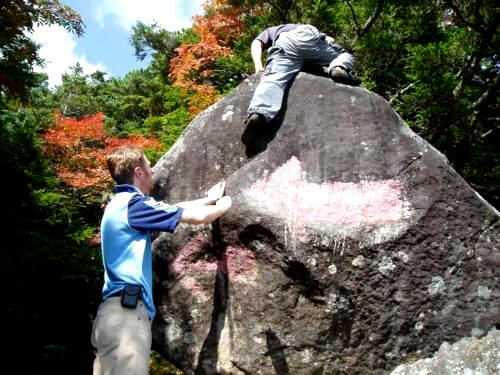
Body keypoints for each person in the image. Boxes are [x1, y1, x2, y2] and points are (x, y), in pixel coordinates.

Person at [90, 146, 232, 375]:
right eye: (148, 164)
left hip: (111, 317)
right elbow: (198, 218)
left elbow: (173, 210)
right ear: (138, 172)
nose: (152, 169)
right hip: (126, 317)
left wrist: (209, 199)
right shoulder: (133, 205)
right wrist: (224, 205)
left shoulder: (121, 205)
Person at [242, 24, 360, 146]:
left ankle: (259, 113)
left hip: (286, 44)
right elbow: (330, 39)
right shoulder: (298, 26)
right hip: (308, 36)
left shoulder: (273, 30)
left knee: (274, 79)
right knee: (345, 56)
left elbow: (256, 43)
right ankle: (338, 68)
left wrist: (258, 66)